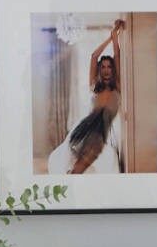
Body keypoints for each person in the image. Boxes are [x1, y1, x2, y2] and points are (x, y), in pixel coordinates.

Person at [48, 19, 125, 175]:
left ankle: (73, 177)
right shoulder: (94, 85)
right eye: (103, 67)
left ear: (113, 69)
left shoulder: (117, 86)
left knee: (85, 160)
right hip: (85, 126)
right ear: (100, 70)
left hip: (102, 130)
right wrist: (110, 37)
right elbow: (94, 56)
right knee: (74, 157)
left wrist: (115, 38)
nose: (106, 70)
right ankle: (71, 177)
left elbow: (117, 54)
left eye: (109, 67)